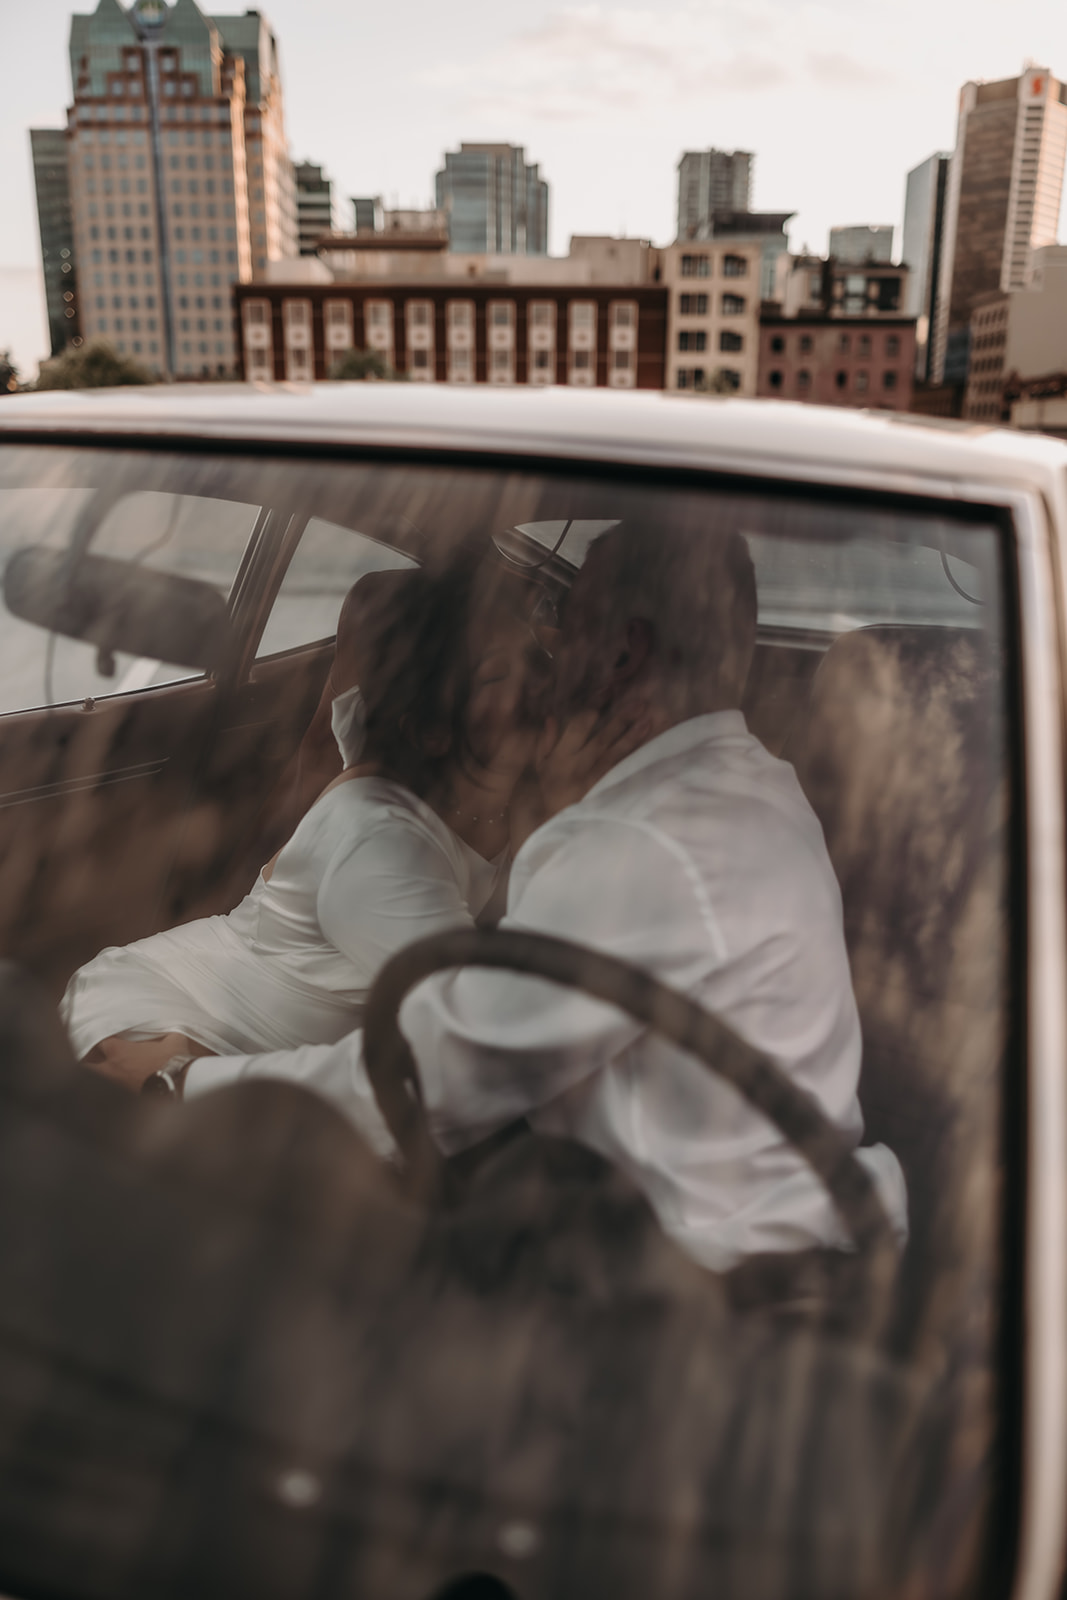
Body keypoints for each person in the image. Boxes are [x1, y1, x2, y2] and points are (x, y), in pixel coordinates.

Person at [89, 520, 908, 1273]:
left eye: (566, 619)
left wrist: (181, 1088)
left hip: (708, 1288)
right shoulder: (751, 784)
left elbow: (438, 1073)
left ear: (622, 655)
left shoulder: (638, 846)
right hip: (747, 1238)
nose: (547, 647)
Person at [65, 557, 548, 1085]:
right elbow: (488, 1035)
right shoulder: (376, 839)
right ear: (432, 731)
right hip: (173, 1021)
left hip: (269, 1059)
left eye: (536, 658)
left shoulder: (490, 784)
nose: (539, 684)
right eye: (499, 675)